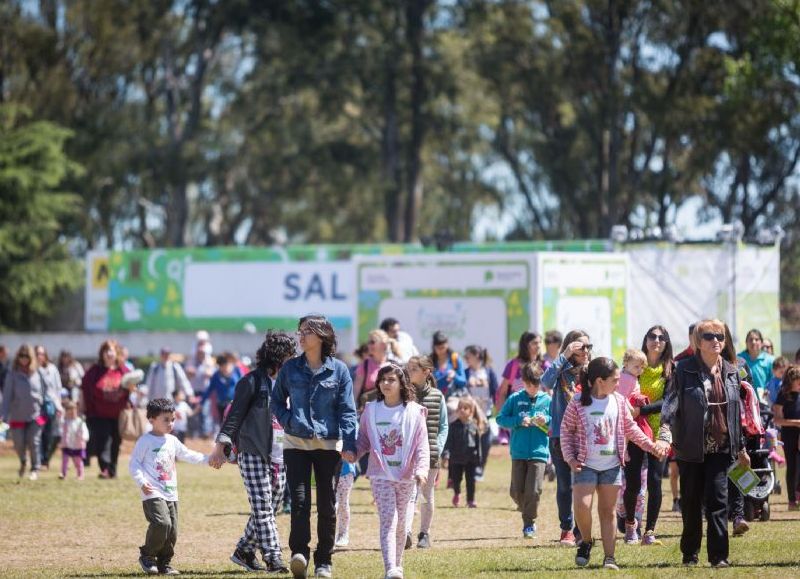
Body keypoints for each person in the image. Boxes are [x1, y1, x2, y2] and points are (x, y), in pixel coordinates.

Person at [271, 314, 358, 579]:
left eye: (306, 331)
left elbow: (347, 410)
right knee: (298, 502)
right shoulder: (290, 368)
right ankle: (300, 554)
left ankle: (324, 560)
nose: (300, 336)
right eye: (300, 331)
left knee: (327, 505)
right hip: (295, 444)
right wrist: (289, 421)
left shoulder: (339, 370)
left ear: (321, 335)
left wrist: (351, 443)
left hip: (329, 446)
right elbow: (276, 401)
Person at [659, 319, 751, 568]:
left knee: (718, 502)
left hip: (720, 448)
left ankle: (719, 556)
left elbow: (736, 413)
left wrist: (741, 448)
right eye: (709, 337)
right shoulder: (683, 369)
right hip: (690, 448)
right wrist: (664, 436)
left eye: (720, 337)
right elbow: (669, 405)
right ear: (698, 342)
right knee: (690, 504)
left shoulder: (732, 370)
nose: (716, 341)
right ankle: (690, 553)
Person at [561, 357, 668, 571]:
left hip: (611, 465)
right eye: (615, 380)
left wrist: (651, 446)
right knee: (582, 506)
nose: (619, 384)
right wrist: (570, 458)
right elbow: (566, 431)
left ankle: (610, 558)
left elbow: (631, 429)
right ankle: (587, 541)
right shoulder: (578, 402)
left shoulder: (619, 401)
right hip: (585, 464)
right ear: (600, 381)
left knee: (607, 512)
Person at [208, 330, 297, 573]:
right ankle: (274, 556)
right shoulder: (251, 382)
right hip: (252, 452)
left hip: (281, 454)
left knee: (270, 507)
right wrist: (221, 447)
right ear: (279, 356)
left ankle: (244, 551)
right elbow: (234, 417)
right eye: (291, 354)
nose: (295, 358)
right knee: (263, 507)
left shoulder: (291, 383)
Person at [354, 364, 429, 579]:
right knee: (389, 518)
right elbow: (364, 440)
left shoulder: (415, 412)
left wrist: (422, 470)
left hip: (407, 475)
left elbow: (422, 445)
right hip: (380, 474)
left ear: (401, 383)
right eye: (383, 379)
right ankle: (390, 569)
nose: (386, 383)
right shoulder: (371, 410)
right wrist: (353, 453)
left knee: (402, 524)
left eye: (391, 380)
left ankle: (398, 566)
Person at [129, 398, 208, 576]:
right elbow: (134, 464)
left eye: (172, 419)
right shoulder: (145, 441)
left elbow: (188, 455)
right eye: (166, 419)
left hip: (171, 492)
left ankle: (164, 563)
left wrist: (209, 459)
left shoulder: (172, 440)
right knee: (162, 523)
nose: (171, 423)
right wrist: (142, 482)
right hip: (152, 492)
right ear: (151, 419)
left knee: (172, 531)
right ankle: (147, 556)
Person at [622, 326, 673, 546]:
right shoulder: (633, 366)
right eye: (652, 336)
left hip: (660, 431)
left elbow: (670, 402)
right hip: (634, 431)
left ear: (666, 343)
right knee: (632, 483)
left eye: (661, 337)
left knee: (654, 482)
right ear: (646, 340)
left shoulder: (670, 369)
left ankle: (650, 531)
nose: (657, 340)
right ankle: (630, 525)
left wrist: (641, 410)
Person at [541, 329, 591, 546]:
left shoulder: (592, 370)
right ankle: (566, 529)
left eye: (589, 346)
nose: (586, 350)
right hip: (560, 436)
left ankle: (581, 530)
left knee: (584, 485)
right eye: (581, 346)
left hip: (586, 436)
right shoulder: (561, 370)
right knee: (564, 486)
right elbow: (545, 380)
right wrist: (564, 354)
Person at [496, 362, 551, 539]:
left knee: (534, 490)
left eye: (536, 385)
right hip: (518, 452)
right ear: (523, 382)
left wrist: (547, 419)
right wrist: (518, 421)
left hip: (539, 452)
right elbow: (500, 419)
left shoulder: (547, 400)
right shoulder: (515, 398)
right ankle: (526, 506)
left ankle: (529, 523)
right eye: (529, 385)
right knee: (516, 491)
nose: (533, 388)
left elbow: (556, 421)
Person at [404, 355, 448, 549]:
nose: (409, 372)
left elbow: (443, 425)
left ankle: (424, 533)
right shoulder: (404, 395)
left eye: (413, 369)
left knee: (426, 494)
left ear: (426, 372)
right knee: (407, 493)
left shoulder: (438, 396)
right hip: (407, 454)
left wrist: (438, 446)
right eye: (408, 369)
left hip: (430, 454)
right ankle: (405, 532)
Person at [82, 340, 132, 479]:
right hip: (98, 414)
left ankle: (112, 470)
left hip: (118, 414)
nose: (109, 353)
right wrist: (83, 407)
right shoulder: (95, 371)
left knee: (116, 442)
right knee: (103, 441)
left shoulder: (123, 370)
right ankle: (105, 468)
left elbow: (134, 384)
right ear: (102, 354)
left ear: (116, 353)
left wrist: (133, 390)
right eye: (106, 350)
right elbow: (84, 387)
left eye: (112, 350)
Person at [614, 348, 648, 538]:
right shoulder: (626, 378)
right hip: (627, 417)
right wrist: (631, 406)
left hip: (628, 419)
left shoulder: (628, 377)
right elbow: (622, 397)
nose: (639, 370)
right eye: (636, 366)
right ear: (625, 363)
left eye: (641, 367)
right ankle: (624, 451)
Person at [2, 344, 46, 480]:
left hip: (36, 415)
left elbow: (45, 392)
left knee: (34, 441)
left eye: (27, 356)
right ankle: (23, 461)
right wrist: (2, 414)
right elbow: (7, 396)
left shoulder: (38, 373)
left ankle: (35, 468)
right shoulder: (12, 374)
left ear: (31, 357)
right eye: (21, 356)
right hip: (17, 416)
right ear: (17, 357)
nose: (24, 359)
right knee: (19, 443)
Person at [463, 345, 498, 479]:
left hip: (485, 414)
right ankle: (472, 470)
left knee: (486, 442)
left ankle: (480, 469)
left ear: (476, 356)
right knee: (471, 443)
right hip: (470, 415)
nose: (466, 359)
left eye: (468, 356)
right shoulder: (466, 373)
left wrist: (497, 407)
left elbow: (495, 391)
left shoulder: (488, 372)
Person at [445, 396, 485, 508]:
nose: (462, 410)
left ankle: (470, 500)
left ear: (471, 411)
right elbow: (449, 442)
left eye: (465, 408)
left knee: (470, 481)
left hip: (470, 459)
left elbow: (478, 444)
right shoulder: (453, 426)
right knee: (456, 479)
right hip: (456, 459)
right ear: (457, 411)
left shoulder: (474, 426)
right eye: (460, 408)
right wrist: (446, 455)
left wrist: (479, 458)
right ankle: (457, 493)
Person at [33, 345, 64, 471]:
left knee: (50, 434)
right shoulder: (32, 370)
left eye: (41, 353)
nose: (39, 356)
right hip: (37, 408)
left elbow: (57, 388)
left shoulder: (52, 369)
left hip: (50, 408)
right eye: (37, 353)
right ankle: (39, 460)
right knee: (38, 433)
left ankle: (45, 459)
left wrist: (59, 406)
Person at [773, 365, 800, 510]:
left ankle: (798, 494)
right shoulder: (784, 395)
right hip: (789, 435)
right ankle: (791, 501)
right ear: (792, 380)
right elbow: (777, 420)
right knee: (793, 467)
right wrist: (796, 423)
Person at [497, 332, 544, 411]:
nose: (538, 346)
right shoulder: (513, 365)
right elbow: (502, 392)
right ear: (526, 345)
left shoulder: (545, 365)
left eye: (540, 342)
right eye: (535, 343)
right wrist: (503, 416)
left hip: (538, 416)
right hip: (516, 416)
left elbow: (550, 392)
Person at [353, 329, 399, 410]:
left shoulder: (394, 365)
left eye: (372, 342)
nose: (369, 345)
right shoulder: (365, 365)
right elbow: (355, 391)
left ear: (383, 345)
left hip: (390, 411)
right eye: (368, 342)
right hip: (368, 412)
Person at [184, 333, 217, 438]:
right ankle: (193, 433)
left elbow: (213, 374)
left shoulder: (209, 361)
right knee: (192, 412)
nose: (201, 353)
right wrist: (190, 371)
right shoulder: (191, 360)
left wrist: (208, 373)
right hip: (193, 390)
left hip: (205, 391)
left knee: (204, 412)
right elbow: (186, 373)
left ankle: (204, 433)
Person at [202, 352, 242, 429]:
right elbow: (209, 390)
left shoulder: (237, 371)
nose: (223, 368)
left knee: (235, 425)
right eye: (221, 366)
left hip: (235, 404)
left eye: (225, 365)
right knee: (223, 425)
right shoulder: (216, 375)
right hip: (222, 404)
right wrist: (201, 402)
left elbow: (245, 384)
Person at [737, 329, 774, 396]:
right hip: (744, 399)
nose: (753, 342)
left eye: (756, 339)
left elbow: (774, 379)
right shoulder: (738, 359)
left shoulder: (770, 360)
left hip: (764, 400)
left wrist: (768, 389)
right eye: (750, 340)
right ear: (746, 342)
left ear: (761, 343)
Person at [59, 399, 89, 480]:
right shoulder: (65, 421)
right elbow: (61, 429)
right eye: (69, 411)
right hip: (67, 444)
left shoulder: (80, 422)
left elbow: (84, 432)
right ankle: (63, 474)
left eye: (74, 410)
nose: (72, 413)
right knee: (65, 461)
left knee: (78, 462)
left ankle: (80, 475)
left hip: (77, 445)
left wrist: (84, 438)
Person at [430, 331, 466, 396]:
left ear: (447, 345)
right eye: (438, 348)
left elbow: (463, 381)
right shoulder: (430, 361)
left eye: (443, 347)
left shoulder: (454, 358)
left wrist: (455, 376)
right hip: (434, 398)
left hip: (452, 399)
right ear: (434, 347)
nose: (441, 350)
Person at [334, 460, 357, 548]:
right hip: (330, 470)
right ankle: (329, 536)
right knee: (332, 504)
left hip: (346, 472)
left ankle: (343, 534)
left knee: (343, 503)